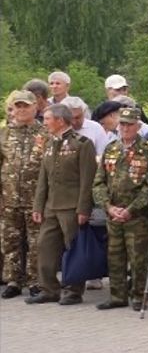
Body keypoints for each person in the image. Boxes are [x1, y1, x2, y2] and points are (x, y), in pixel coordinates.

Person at [27, 104, 97, 305]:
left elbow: (87, 179)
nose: (45, 122)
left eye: (48, 119)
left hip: (71, 206)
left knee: (73, 249)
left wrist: (84, 208)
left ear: (60, 120)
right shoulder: (49, 143)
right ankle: (49, 288)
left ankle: (74, 290)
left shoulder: (82, 144)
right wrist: (38, 206)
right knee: (45, 245)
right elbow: (43, 178)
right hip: (51, 205)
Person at [92, 107, 148, 311]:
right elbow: (98, 183)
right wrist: (108, 207)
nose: (125, 128)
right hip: (114, 213)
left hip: (137, 216)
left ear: (138, 126)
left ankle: (139, 296)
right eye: (122, 124)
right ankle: (117, 295)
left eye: (130, 124)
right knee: (115, 256)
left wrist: (131, 209)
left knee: (138, 258)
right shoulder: (111, 148)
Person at [0, 91, 45, 299]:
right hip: (8, 198)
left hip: (35, 198)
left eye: (25, 106)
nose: (21, 110)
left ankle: (35, 280)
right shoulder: (4, 133)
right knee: (10, 241)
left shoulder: (44, 133)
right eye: (18, 106)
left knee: (36, 241)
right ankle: (12, 280)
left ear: (35, 107)